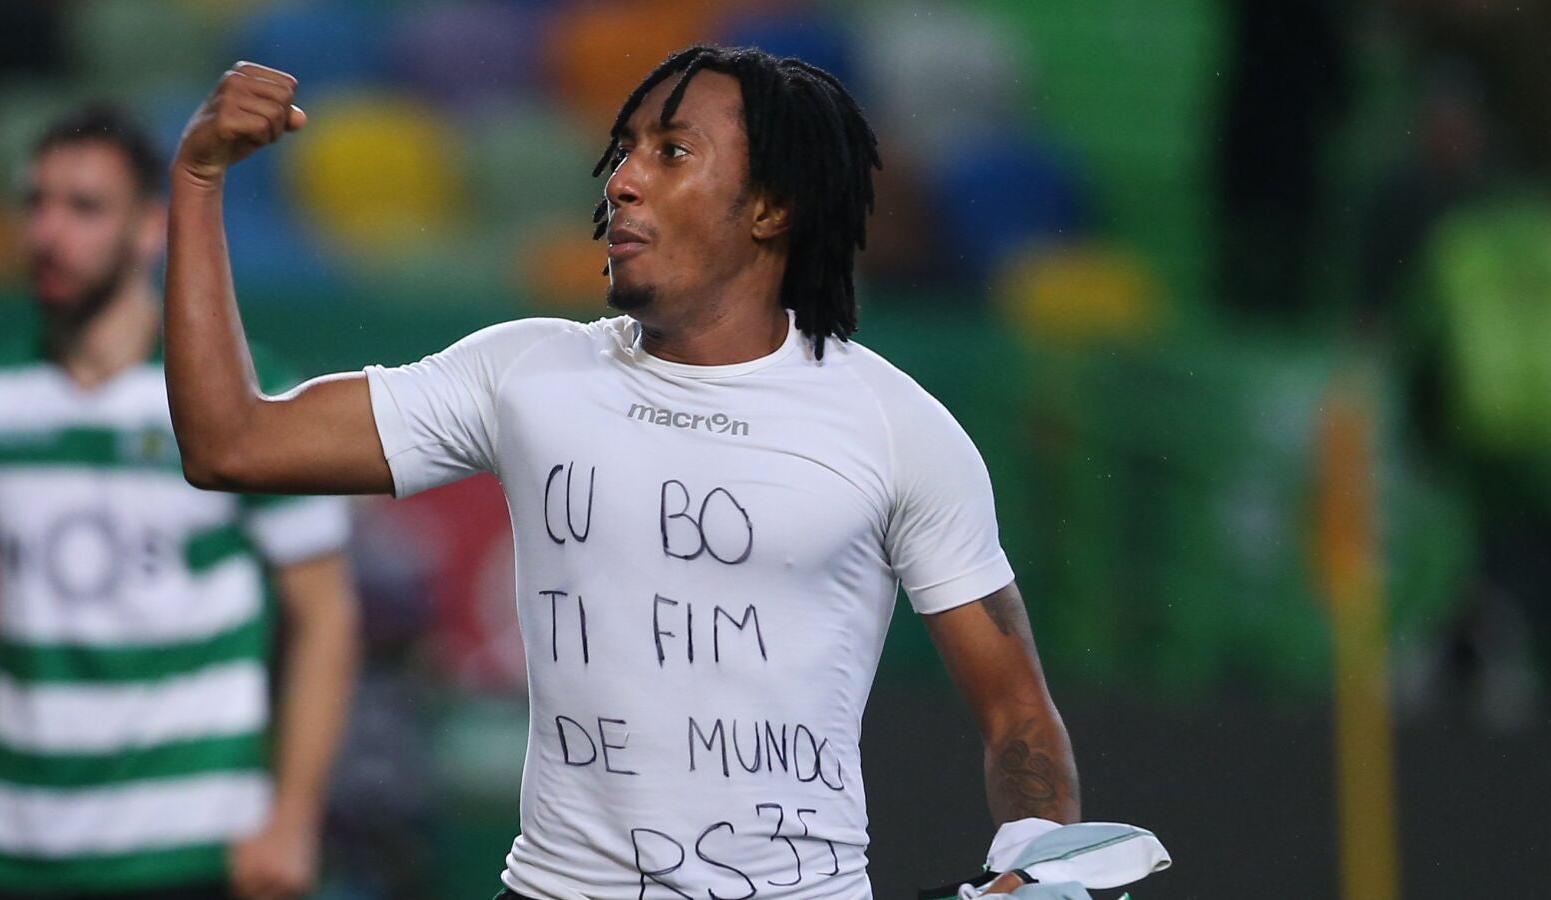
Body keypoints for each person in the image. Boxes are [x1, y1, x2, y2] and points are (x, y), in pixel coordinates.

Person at [165, 47, 1079, 899]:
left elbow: (1017, 715)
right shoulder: (526, 373)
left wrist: (1034, 867)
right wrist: (199, 181)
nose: (623, 180)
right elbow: (230, 444)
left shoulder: (896, 427)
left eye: (672, 152)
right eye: (626, 151)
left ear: (771, 207)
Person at [0, 107, 359, 900]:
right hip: (8, 844)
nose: (48, 232)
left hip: (194, 849)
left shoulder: (244, 400)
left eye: (83, 207)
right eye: (36, 203)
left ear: (148, 229)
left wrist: (293, 817)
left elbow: (325, 616)